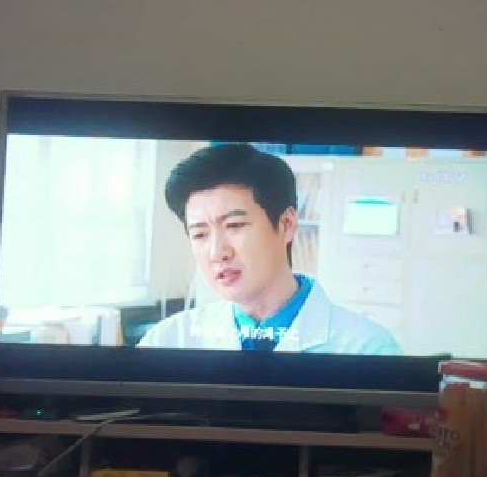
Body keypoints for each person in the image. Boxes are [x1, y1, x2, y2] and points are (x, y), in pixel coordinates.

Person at [138, 142, 402, 355]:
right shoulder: (166, 342)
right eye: (200, 234)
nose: (217, 252)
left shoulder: (368, 348)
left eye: (234, 225)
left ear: (287, 224)